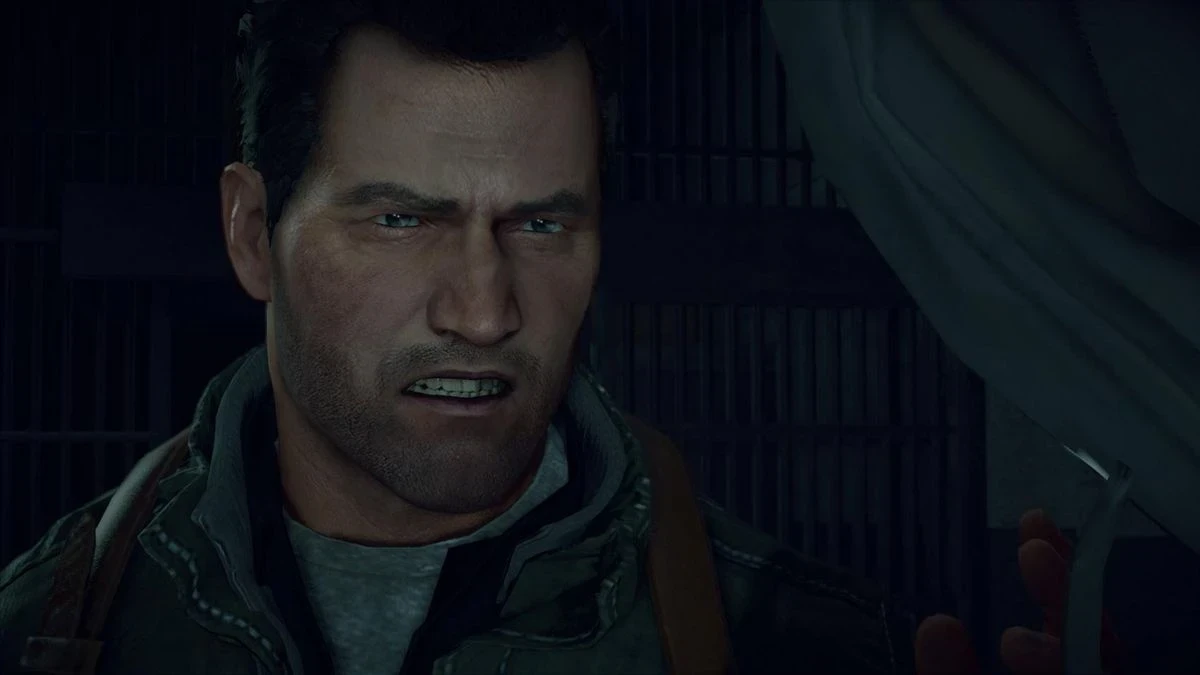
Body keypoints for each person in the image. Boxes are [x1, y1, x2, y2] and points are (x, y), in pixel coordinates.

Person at [0, 1, 1113, 673]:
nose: (485, 313)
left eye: (542, 225)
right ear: (253, 233)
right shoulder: (38, 629)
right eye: (401, 221)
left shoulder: (806, 644)